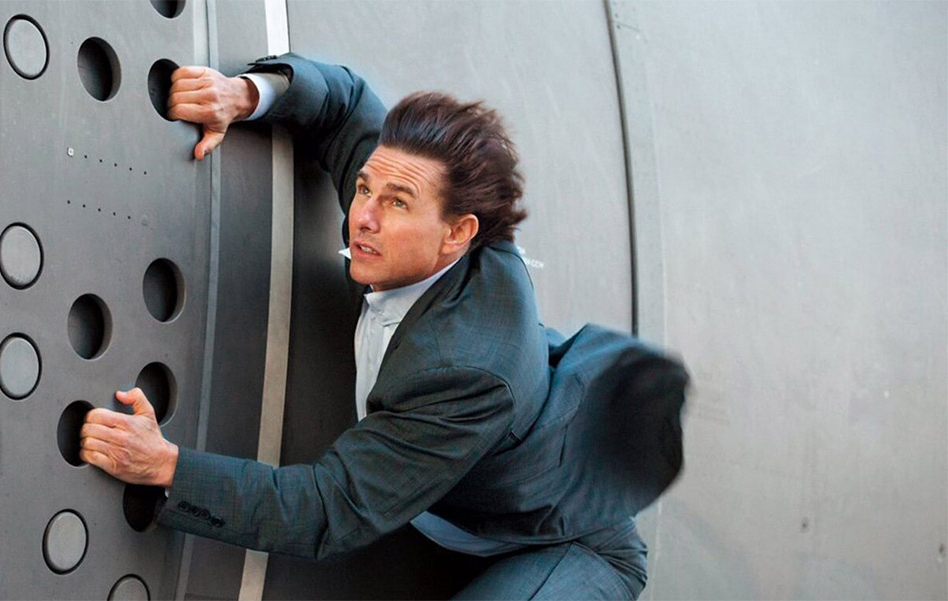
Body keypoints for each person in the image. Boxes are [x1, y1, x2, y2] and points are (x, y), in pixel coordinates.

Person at [80, 53, 687, 600]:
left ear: (458, 233)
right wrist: (243, 95)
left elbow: (330, 509)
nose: (362, 217)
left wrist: (166, 466)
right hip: (486, 469)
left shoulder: (467, 369)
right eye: (365, 187)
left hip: (567, 540)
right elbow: (346, 103)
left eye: (395, 202)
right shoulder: (405, 193)